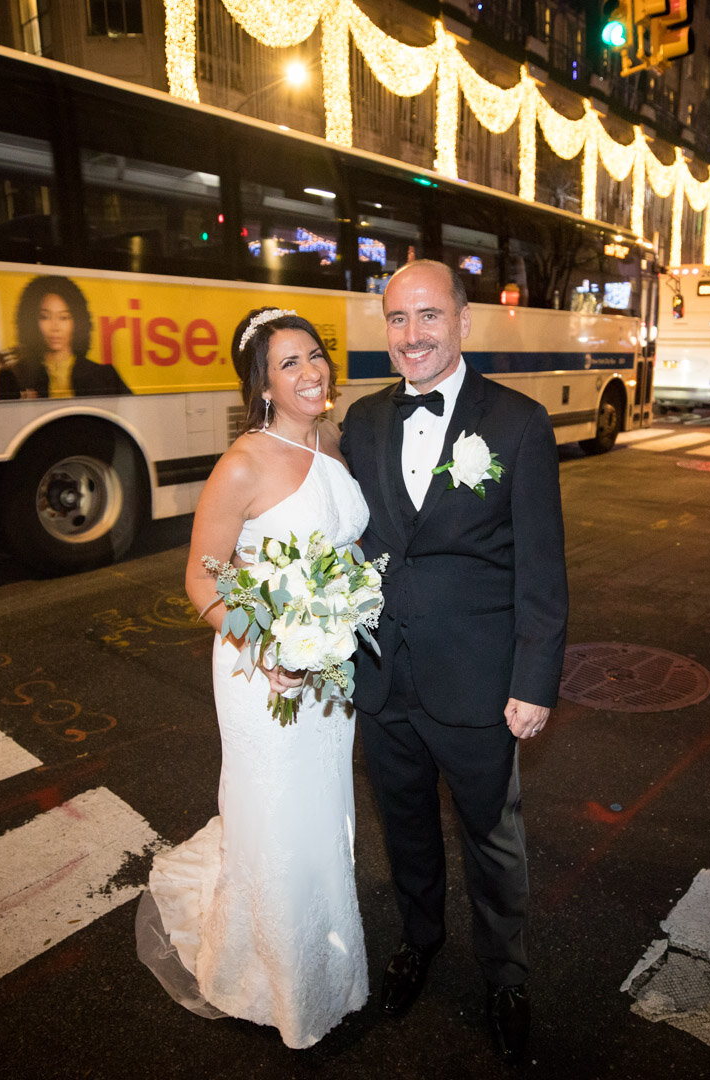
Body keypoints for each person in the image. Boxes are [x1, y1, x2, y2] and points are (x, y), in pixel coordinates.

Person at [339, 259, 568, 1062]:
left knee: (492, 840)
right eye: (398, 318)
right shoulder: (362, 421)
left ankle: (506, 978)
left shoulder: (519, 423)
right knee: (404, 830)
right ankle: (420, 941)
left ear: (464, 322)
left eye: (429, 316)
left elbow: (542, 568)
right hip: (383, 678)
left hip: (478, 681)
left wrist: (534, 681)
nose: (412, 335)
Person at [135, 307, 368, 1048]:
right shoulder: (243, 463)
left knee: (323, 811)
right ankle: (271, 979)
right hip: (262, 672)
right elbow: (201, 579)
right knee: (275, 818)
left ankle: (328, 957)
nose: (311, 372)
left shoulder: (333, 441)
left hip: (328, 665)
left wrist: (344, 610)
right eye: (289, 363)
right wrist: (267, 647)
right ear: (262, 386)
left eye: (315, 355)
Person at [0, 275, 129, 399]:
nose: (55, 327)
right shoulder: (14, 375)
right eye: (45, 317)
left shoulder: (105, 375)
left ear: (78, 322)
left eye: (64, 317)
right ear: (31, 321)